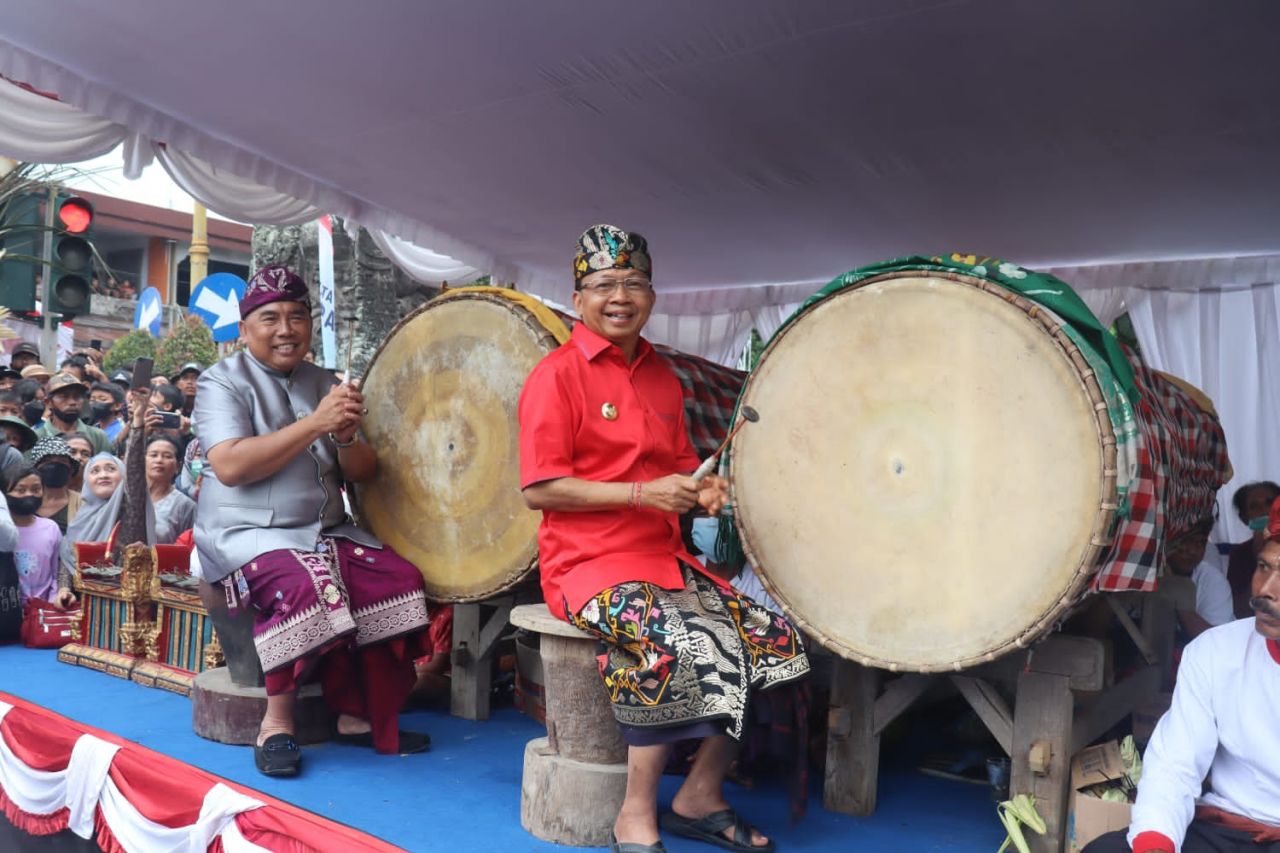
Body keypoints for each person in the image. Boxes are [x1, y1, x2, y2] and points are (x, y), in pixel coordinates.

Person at [518, 225, 809, 853]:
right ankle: (634, 814)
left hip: (662, 559)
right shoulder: (556, 375)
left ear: (651, 295)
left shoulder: (661, 376)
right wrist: (642, 495)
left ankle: (698, 794)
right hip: (586, 565)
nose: (619, 295)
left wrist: (703, 492)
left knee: (770, 637)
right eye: (603, 285)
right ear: (579, 297)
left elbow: (678, 467)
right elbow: (540, 488)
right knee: (676, 642)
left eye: (634, 283)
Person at [194, 264, 433, 779]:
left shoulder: (324, 381)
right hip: (246, 533)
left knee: (397, 579)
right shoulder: (221, 381)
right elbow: (231, 466)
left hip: (322, 528)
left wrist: (345, 435)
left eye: (297, 316)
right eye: (270, 318)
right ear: (244, 328)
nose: (286, 329)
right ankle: (276, 725)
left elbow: (362, 473)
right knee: (302, 584)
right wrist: (317, 422)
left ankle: (355, 713)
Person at [1081, 502, 1280, 853]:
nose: (1265, 590)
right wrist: (1156, 843)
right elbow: (1176, 763)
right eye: (1264, 567)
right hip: (1229, 831)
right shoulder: (1216, 652)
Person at [4, 465, 69, 607]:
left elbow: (56, 570)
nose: (29, 495)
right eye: (20, 490)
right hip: (9, 610)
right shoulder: (4, 533)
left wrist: (54, 600)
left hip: (44, 609)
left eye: (35, 489)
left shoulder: (50, 528)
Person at [1225, 481, 1280, 619]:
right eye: (1254, 507)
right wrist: (1260, 558)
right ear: (1244, 518)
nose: (1264, 510)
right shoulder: (1240, 554)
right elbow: (1240, 610)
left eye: (1269, 503)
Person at [34, 373, 111, 455]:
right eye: (64, 396)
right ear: (48, 402)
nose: (72, 402)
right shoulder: (36, 437)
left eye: (77, 396)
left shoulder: (97, 436)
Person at [145, 434, 195, 544]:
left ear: (178, 466)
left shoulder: (185, 506)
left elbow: (186, 546)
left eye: (167, 456)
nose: (159, 460)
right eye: (153, 455)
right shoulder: (130, 498)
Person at [26, 436, 82, 534]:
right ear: (36, 467)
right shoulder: (22, 499)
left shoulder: (81, 503)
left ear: (71, 469)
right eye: (47, 461)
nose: (55, 465)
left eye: (62, 461)